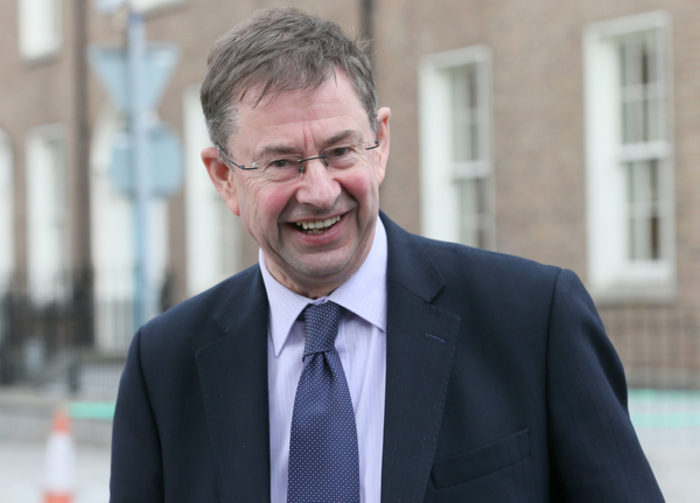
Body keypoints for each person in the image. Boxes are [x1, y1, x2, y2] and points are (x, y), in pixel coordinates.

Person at [110, 7, 664, 503]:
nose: (321, 189)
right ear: (224, 178)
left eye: (340, 150)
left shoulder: (533, 319)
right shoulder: (164, 365)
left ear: (380, 143)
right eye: (282, 162)